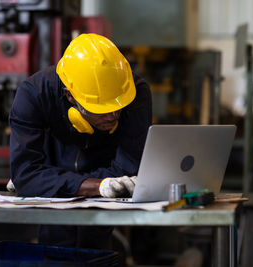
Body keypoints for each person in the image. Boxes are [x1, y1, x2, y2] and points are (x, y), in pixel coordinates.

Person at [8, 33, 152, 249]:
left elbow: (128, 169)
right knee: (56, 246)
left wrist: (46, 183)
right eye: (102, 109)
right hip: (56, 170)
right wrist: (96, 186)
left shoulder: (133, 92)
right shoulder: (34, 95)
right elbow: (26, 174)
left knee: (96, 248)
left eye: (118, 108)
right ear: (70, 96)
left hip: (103, 168)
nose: (114, 116)